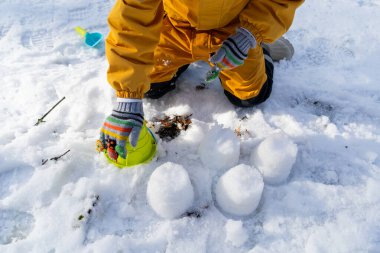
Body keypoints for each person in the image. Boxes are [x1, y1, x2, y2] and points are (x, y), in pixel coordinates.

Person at [99, 0, 304, 159]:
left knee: (249, 95)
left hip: (234, 29)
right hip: (174, 27)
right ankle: (186, 58)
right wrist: (127, 96)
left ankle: (263, 47)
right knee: (149, 87)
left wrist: (252, 33)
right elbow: (132, 20)